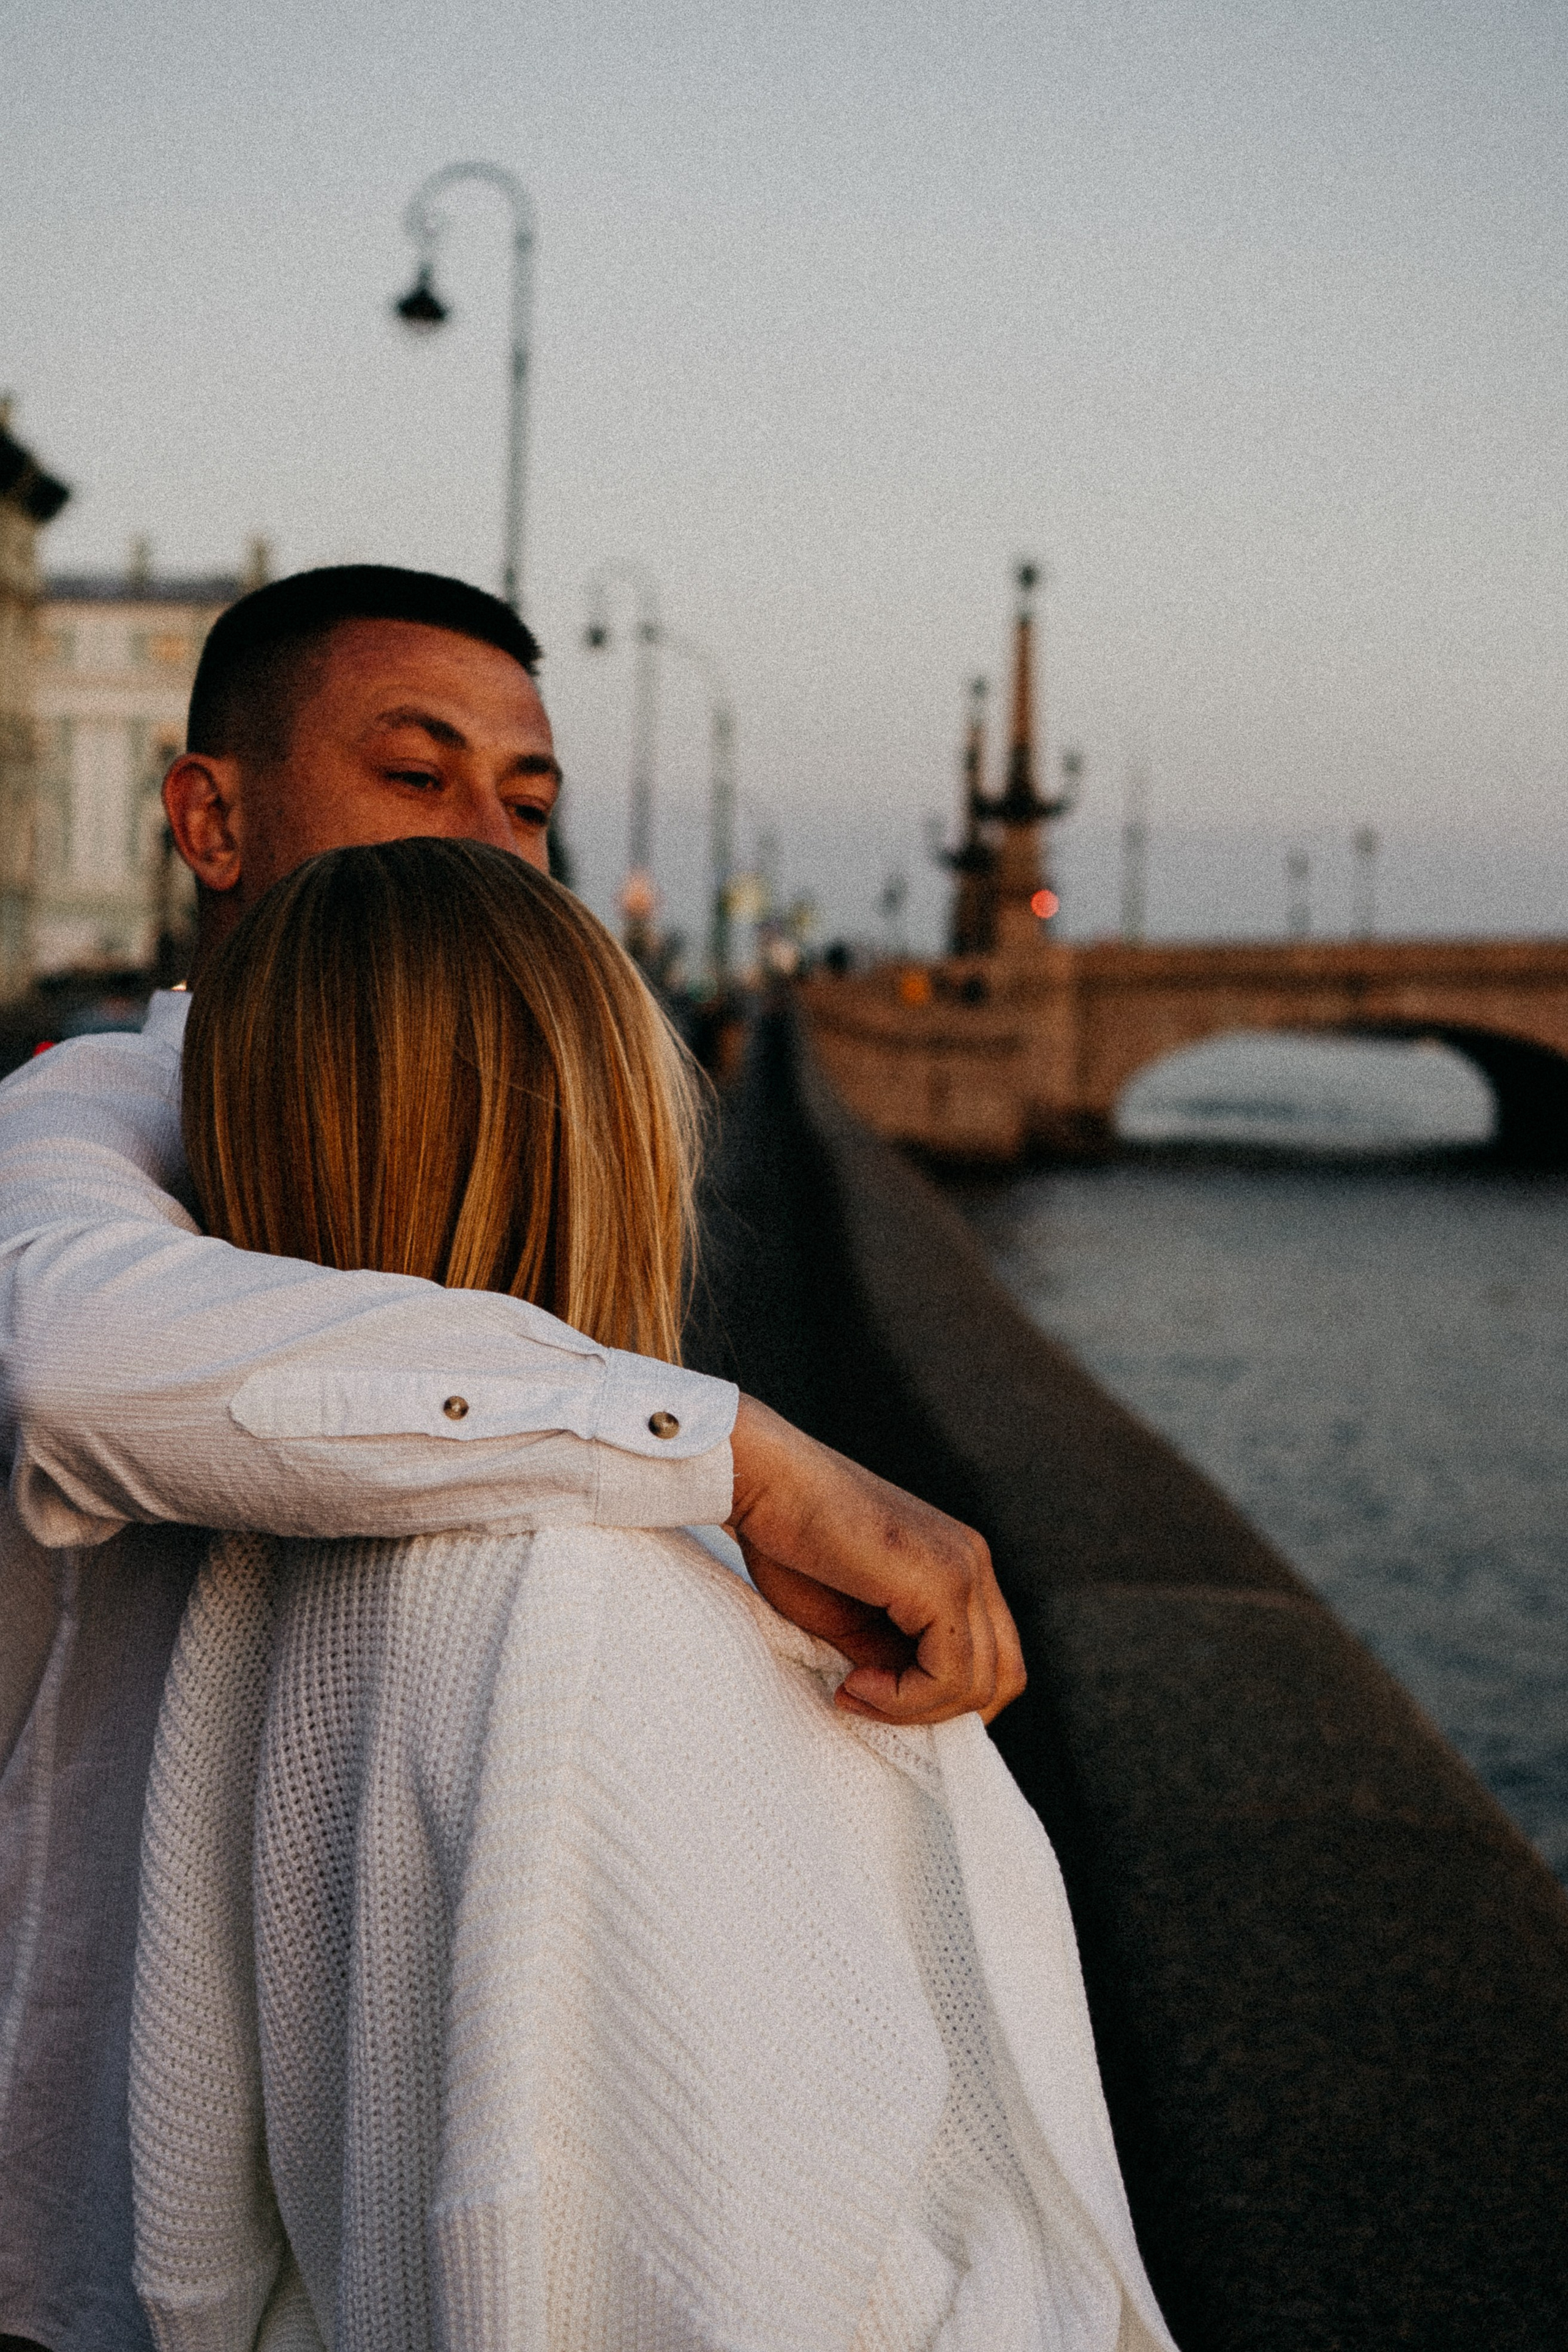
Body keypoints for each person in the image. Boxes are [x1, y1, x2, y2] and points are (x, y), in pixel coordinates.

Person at [0, 568, 1022, 2352]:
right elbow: (78, 1358)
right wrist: (736, 1453)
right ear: (210, 818)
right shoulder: (88, 1121)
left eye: (531, 802)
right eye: (420, 775)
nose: (493, 836)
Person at [129, 837, 1175, 2352]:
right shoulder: (598, 1632)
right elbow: (714, 2274)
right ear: (600, 1131)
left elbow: (197, 2221)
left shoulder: (243, 1578)